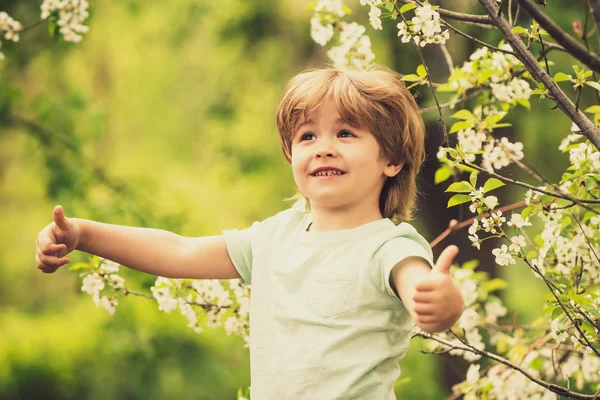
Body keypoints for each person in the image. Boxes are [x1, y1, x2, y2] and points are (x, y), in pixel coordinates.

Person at [35, 64, 464, 399]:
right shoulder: (274, 238)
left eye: (346, 133)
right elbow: (179, 252)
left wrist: (441, 302)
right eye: (307, 135)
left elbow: (419, 285)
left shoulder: (387, 246)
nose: (323, 147)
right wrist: (83, 233)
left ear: (391, 159)